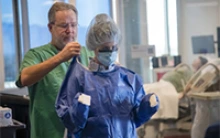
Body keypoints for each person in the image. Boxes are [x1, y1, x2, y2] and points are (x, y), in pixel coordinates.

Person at [55, 13, 159, 138]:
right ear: (94, 48)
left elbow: (135, 120)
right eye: (105, 48)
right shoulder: (80, 78)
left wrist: (147, 107)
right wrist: (80, 107)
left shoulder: (129, 79)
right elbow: (72, 123)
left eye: (113, 48)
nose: (110, 52)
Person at [15, 2, 94, 138]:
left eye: (74, 25)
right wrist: (60, 57)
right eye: (64, 26)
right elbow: (24, 78)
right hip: (50, 133)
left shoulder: (87, 55)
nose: (70, 30)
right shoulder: (37, 55)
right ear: (50, 27)